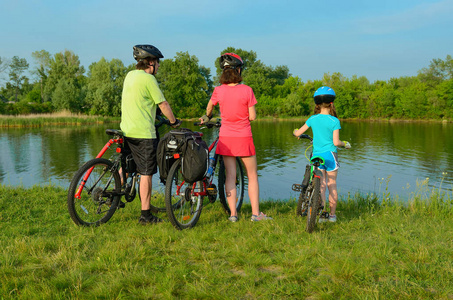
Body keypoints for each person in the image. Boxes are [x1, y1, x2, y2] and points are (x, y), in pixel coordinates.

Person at [200, 53, 272, 222]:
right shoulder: (247, 90)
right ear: (238, 71)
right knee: (252, 176)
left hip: (226, 138)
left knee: (230, 176)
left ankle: (233, 215)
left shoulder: (218, 90)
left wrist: (208, 115)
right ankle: (256, 214)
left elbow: (209, 108)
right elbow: (252, 116)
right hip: (244, 137)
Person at [120, 44, 181, 225]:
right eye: (158, 62)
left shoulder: (130, 75)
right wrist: (173, 121)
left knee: (126, 163)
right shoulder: (149, 79)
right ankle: (145, 215)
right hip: (143, 134)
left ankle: (115, 193)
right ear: (151, 62)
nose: (159, 66)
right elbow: (163, 104)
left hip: (126, 130)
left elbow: (141, 100)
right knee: (146, 173)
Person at [292, 86, 351, 223]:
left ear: (317, 104)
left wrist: (296, 132)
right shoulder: (334, 121)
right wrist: (345, 144)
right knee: (332, 184)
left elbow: (298, 133)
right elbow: (336, 142)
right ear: (331, 103)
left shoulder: (313, 119)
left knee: (321, 185)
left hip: (317, 156)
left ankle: (322, 213)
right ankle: (332, 216)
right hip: (330, 156)